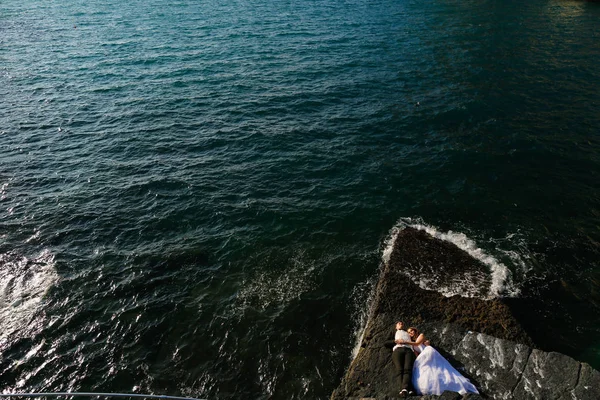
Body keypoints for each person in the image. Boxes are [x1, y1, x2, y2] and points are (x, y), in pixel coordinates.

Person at [396, 327, 479, 395]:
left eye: (412, 331)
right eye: (409, 332)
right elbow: (416, 353)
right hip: (422, 356)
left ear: (415, 331)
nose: (411, 333)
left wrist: (404, 341)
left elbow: (417, 343)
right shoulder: (412, 344)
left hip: (428, 352)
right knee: (427, 371)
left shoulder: (421, 335)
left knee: (438, 368)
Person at [384, 321, 415, 397]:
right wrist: (395, 341)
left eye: (402, 323)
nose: (401, 324)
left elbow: (415, 339)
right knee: (399, 369)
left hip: (408, 350)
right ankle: (406, 389)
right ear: (396, 327)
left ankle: (405, 389)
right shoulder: (394, 332)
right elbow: (386, 343)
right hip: (398, 350)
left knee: (408, 369)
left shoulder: (408, 333)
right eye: (399, 323)